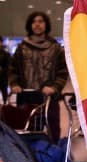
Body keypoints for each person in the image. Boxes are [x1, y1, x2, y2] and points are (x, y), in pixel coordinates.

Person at [8, 11, 68, 143]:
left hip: (49, 98)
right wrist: (14, 84)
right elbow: (13, 70)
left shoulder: (56, 48)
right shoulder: (22, 48)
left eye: (41, 21)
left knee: (53, 132)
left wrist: (54, 87)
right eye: (34, 21)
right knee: (24, 131)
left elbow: (63, 72)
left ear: (46, 24)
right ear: (30, 25)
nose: (37, 24)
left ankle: (50, 157)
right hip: (26, 97)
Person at [0, 36, 10, 104]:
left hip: (2, 77)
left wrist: (2, 69)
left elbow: (8, 66)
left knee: (4, 91)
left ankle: (5, 103)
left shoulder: (6, 54)